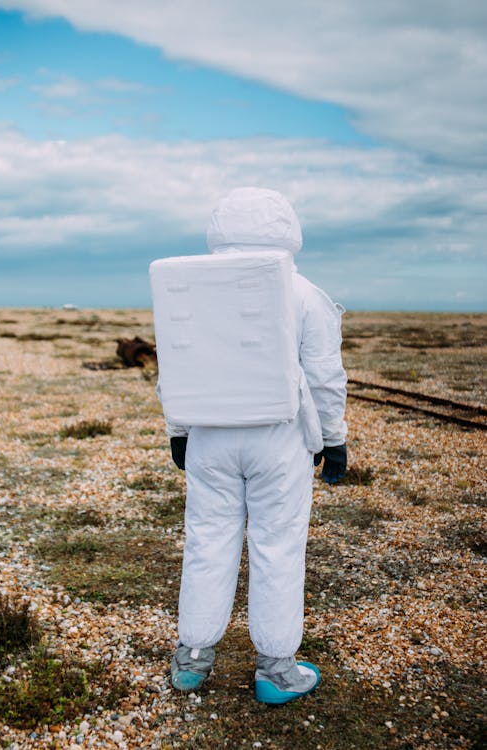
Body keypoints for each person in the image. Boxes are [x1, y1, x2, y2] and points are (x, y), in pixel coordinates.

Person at [160, 187, 347, 704]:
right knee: (278, 546)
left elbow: (176, 365)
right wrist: (333, 439)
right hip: (280, 439)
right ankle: (276, 669)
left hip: (209, 435)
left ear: (219, 229)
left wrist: (178, 428)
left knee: (206, 541)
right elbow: (326, 376)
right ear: (287, 229)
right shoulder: (304, 292)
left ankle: (192, 658)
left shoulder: (190, 287)